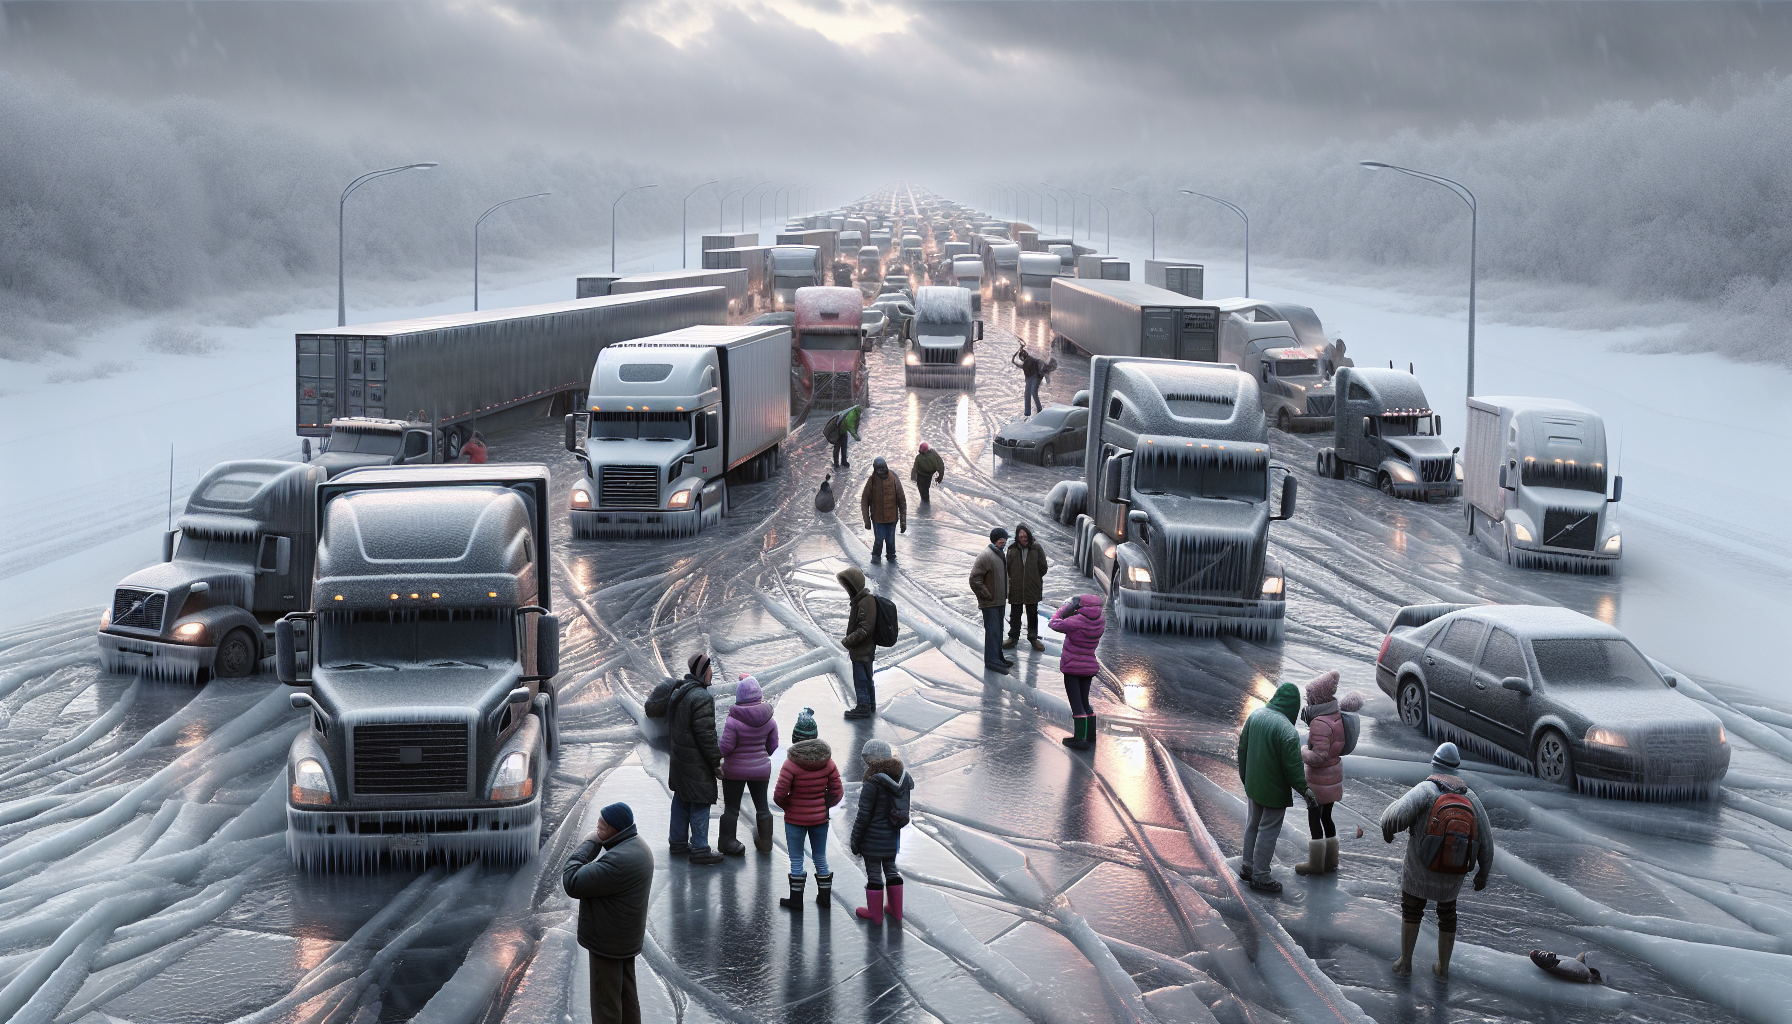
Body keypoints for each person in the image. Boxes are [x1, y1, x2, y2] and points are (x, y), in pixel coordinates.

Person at [1379, 742, 1495, 980]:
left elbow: (1394, 816)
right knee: (1447, 914)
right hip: (1454, 872)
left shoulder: (1426, 790)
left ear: (1435, 763)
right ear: (1456, 768)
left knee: (1412, 909)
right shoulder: (1471, 797)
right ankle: (1443, 966)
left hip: (1420, 870)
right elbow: (1487, 840)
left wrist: (1388, 831)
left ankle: (1405, 962)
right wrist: (1483, 873)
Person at [563, 801, 653, 1024]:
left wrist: (590, 843)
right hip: (624, 938)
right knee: (626, 995)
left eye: (602, 827)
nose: (597, 829)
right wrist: (601, 837)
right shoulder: (636, 845)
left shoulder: (618, 861)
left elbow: (572, 881)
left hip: (609, 941)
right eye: (598, 826)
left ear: (617, 829)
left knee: (606, 1003)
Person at [1236, 681, 1314, 894]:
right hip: (1274, 791)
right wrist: (1305, 791)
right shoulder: (1287, 731)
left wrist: (1245, 778)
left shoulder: (1255, 716)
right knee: (1268, 831)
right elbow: (1293, 769)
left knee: (1252, 825)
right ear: (1293, 708)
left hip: (1254, 784)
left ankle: (1247, 866)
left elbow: (1242, 749)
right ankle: (1260, 876)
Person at [773, 708, 843, 911]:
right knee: (820, 857)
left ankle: (796, 900)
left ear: (796, 737)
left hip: (795, 820)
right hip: (820, 819)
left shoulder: (790, 764)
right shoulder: (828, 763)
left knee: (796, 859)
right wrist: (822, 806)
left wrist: (791, 807)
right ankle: (824, 898)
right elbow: (837, 792)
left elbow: (779, 794)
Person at [1296, 671, 1363, 877]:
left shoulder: (1319, 723)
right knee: (1327, 817)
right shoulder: (1335, 715)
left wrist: (1301, 751)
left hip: (1319, 781)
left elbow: (1319, 757)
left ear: (1317, 697)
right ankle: (1331, 860)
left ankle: (1316, 864)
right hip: (1333, 777)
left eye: (1309, 695)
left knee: (1314, 818)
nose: (1307, 698)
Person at [666, 653, 724, 865]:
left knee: (682, 796)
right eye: (709, 669)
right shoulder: (701, 697)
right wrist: (715, 762)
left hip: (680, 758)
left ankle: (678, 842)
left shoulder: (679, 692)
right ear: (702, 672)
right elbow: (706, 734)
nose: (712, 673)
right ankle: (700, 848)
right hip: (695, 761)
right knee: (700, 798)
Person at [851, 739, 914, 924]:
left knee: (874, 873)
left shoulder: (872, 782)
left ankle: (875, 914)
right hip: (892, 836)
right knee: (891, 869)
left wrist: (855, 839)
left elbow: (863, 815)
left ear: (872, 760)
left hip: (872, 838)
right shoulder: (903, 779)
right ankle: (896, 910)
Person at [717, 674, 778, 857]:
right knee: (762, 807)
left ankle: (727, 840)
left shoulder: (733, 720)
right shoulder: (769, 719)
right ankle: (766, 842)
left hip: (734, 771)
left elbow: (726, 747)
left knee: (731, 808)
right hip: (760, 771)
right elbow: (773, 746)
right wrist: (760, 757)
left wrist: (717, 757)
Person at [1049, 594, 1104, 750]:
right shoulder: (1101, 621)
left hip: (1073, 667)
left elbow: (1053, 624)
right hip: (1089, 667)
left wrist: (1063, 610)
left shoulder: (1075, 622)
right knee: (1084, 701)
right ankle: (1091, 735)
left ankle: (1079, 738)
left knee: (1076, 704)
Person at [837, 567, 881, 719]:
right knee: (867, 677)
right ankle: (870, 704)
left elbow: (864, 628)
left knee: (861, 678)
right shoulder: (863, 600)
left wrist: (848, 641)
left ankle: (863, 706)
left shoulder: (864, 602)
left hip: (862, 650)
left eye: (848, 586)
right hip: (865, 649)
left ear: (854, 586)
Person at [969, 528, 1012, 675]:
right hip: (991, 603)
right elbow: (974, 579)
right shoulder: (986, 556)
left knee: (998, 632)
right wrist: (986, 595)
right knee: (993, 633)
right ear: (996, 540)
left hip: (999, 601)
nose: (1004, 543)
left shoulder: (999, 554)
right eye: (1002, 540)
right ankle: (991, 661)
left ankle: (998, 658)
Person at [1003, 524, 1048, 652]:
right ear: (1017, 537)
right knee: (1015, 614)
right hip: (1016, 587)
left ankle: (1033, 638)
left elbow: (1043, 567)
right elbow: (1008, 568)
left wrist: (1034, 578)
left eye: (1025, 535)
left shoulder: (1036, 548)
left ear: (1028, 534)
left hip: (1032, 586)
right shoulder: (1012, 549)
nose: (1023, 538)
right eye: (1020, 536)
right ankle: (1013, 638)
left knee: (1032, 614)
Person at [860, 456, 907, 563]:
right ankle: (876, 557)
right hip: (878, 518)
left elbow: (901, 500)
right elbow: (864, 501)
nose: (881, 471)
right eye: (878, 469)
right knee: (879, 541)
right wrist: (866, 520)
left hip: (892, 517)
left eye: (882, 468)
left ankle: (891, 556)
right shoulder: (872, 481)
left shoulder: (894, 478)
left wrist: (903, 520)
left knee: (890, 541)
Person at [1012, 347, 1045, 416]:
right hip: (1029, 378)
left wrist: (1015, 357)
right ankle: (1028, 412)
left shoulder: (1029, 360)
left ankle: (1039, 408)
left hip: (1034, 376)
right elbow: (1021, 365)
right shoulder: (1027, 360)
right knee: (1027, 394)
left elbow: (1024, 367)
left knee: (1033, 392)